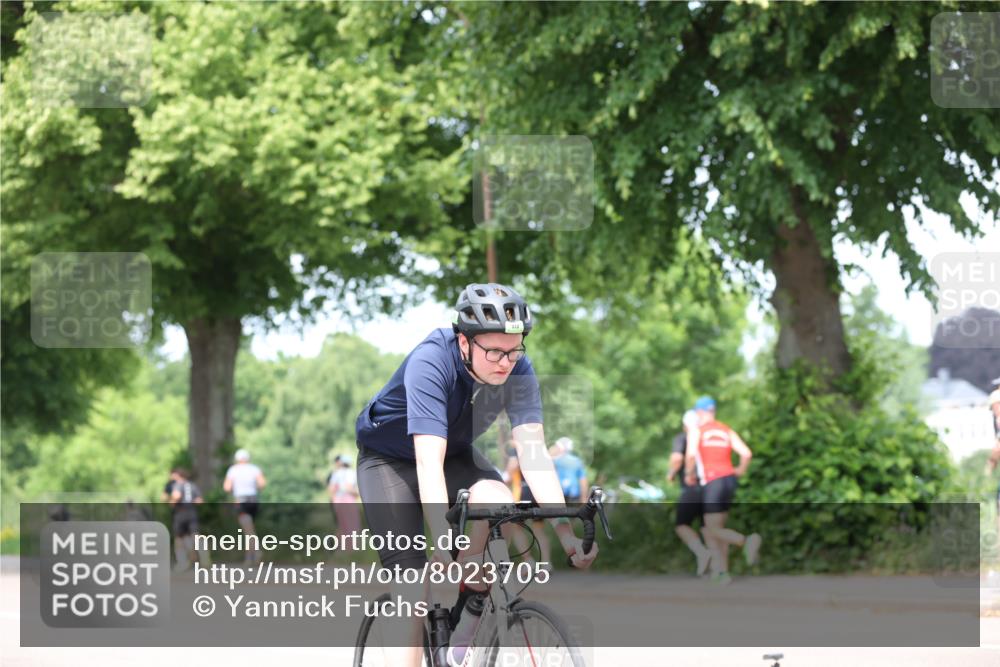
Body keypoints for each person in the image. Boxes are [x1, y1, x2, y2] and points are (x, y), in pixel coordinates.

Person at [354, 282, 598, 667]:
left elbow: (533, 453)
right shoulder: (431, 361)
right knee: (412, 589)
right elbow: (427, 462)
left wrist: (565, 532)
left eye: (514, 350)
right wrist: (442, 538)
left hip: (453, 454)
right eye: (495, 351)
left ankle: (470, 609)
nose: (506, 362)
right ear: (464, 342)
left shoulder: (519, 370)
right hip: (389, 461)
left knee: (499, 502)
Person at [684, 396, 761, 584]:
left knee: (711, 529)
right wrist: (740, 470)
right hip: (729, 480)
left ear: (699, 412)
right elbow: (746, 453)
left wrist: (688, 474)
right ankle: (722, 573)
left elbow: (691, 455)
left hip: (712, 482)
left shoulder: (697, 431)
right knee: (717, 529)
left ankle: (745, 541)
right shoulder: (725, 430)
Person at [666, 410, 712, 576]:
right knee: (708, 527)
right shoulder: (706, 438)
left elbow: (677, 458)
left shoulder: (682, 438)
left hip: (692, 487)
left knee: (682, 524)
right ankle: (717, 568)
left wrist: (671, 473)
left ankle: (701, 552)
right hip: (711, 486)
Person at [223, 449, 267, 564]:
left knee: (248, 529)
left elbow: (227, 487)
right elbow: (262, 484)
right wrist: (253, 487)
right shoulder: (254, 469)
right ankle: (249, 557)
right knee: (249, 529)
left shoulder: (233, 470)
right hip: (253, 500)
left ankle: (256, 552)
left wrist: (236, 489)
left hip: (241, 501)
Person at [170, 468, 210, 572]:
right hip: (192, 511)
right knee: (195, 535)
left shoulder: (178, 485)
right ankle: (204, 558)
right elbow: (200, 500)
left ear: (177, 475)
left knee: (179, 538)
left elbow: (176, 496)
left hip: (180, 512)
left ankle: (182, 562)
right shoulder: (192, 485)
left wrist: (172, 503)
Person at [327, 454, 361, 539]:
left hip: (337, 502)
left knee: (341, 526)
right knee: (352, 525)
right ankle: (350, 546)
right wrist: (357, 493)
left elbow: (331, 489)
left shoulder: (336, 473)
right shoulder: (351, 473)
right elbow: (348, 487)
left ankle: (338, 545)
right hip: (348, 500)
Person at [550, 437, 589, 503]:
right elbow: (583, 481)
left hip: (558, 494)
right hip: (574, 495)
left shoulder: (554, 460)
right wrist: (583, 498)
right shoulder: (577, 461)